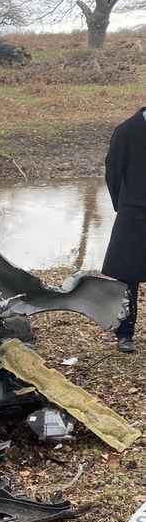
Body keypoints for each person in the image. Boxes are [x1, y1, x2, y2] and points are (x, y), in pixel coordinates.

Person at [102, 108, 146, 353]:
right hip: (134, 214)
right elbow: (113, 172)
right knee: (127, 277)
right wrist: (123, 204)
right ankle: (125, 334)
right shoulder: (126, 130)